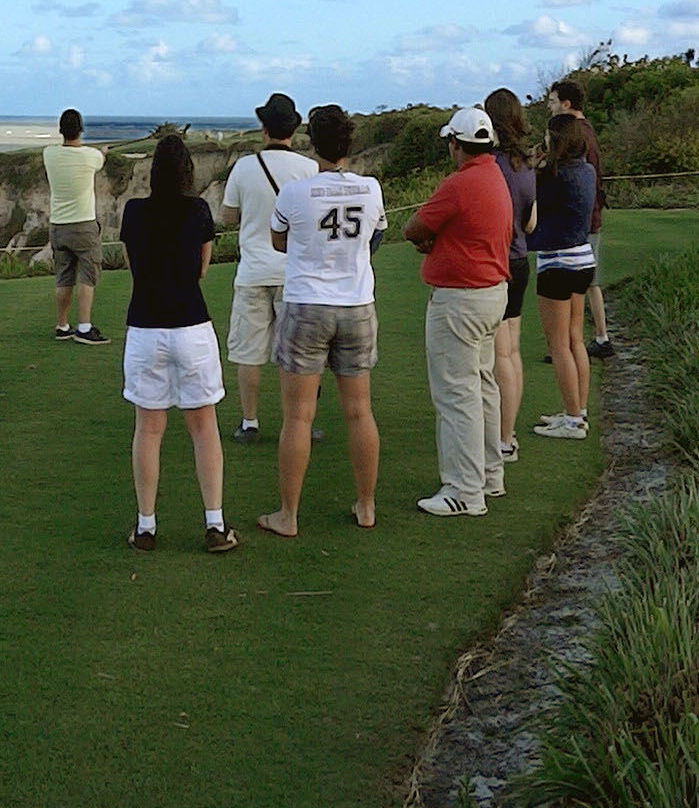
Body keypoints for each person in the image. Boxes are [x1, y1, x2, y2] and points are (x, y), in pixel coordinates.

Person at [262, 103, 386, 534]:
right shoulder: (371, 189)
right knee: (359, 412)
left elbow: (279, 239)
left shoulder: (295, 192)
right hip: (356, 305)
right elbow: (375, 237)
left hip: (306, 305)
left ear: (312, 143)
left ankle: (288, 515)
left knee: (298, 417)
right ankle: (367, 507)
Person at [118, 130, 237, 553]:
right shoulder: (199, 211)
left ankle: (146, 526)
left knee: (149, 429)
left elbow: (133, 267)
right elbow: (202, 270)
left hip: (146, 328)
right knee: (204, 426)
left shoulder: (133, 213)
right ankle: (215, 524)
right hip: (191, 326)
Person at [402, 104, 514, 516]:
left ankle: (465, 491)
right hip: (491, 295)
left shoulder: (460, 183)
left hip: (461, 300)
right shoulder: (494, 174)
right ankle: (488, 475)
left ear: (455, 144)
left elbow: (414, 228)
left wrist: (431, 242)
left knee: (456, 394)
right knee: (481, 386)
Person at [217, 94, 312, 445]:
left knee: (249, 352)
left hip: (254, 271)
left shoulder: (244, 167)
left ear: (264, 127)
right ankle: (299, 422)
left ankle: (250, 421)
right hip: (296, 274)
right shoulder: (308, 169)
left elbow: (228, 216)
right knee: (297, 355)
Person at [530, 112, 602, 440]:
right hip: (583, 258)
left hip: (558, 262)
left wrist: (535, 167)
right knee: (575, 340)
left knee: (558, 344)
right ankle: (578, 411)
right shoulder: (586, 170)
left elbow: (532, 208)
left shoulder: (552, 175)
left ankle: (573, 420)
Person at [480, 88, 539, 471]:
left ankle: (502, 440)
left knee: (501, 354)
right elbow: (532, 223)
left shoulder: (494, 166)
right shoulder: (526, 165)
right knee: (512, 352)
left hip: (500, 263)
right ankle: (508, 435)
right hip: (520, 261)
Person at [548, 76, 615, 359]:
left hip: (581, 219)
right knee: (588, 281)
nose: (549, 108)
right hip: (588, 216)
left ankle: (576, 343)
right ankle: (598, 337)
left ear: (566, 103)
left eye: (552, 102)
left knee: (577, 280)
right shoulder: (586, 130)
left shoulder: (577, 133)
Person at [44, 109, 111, 345]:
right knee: (88, 274)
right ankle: (84, 326)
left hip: (58, 226)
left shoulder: (49, 154)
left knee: (63, 277)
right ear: (81, 129)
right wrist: (103, 152)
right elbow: (100, 160)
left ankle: (62, 325)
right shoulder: (91, 156)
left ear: (61, 130)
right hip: (83, 225)